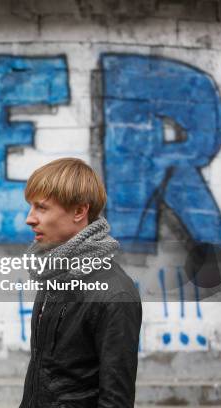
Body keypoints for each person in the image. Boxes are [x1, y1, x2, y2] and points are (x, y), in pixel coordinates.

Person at [19, 158, 142, 408]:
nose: (29, 219)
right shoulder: (54, 275)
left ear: (79, 211)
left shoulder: (114, 294)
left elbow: (116, 400)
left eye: (41, 208)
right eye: (31, 207)